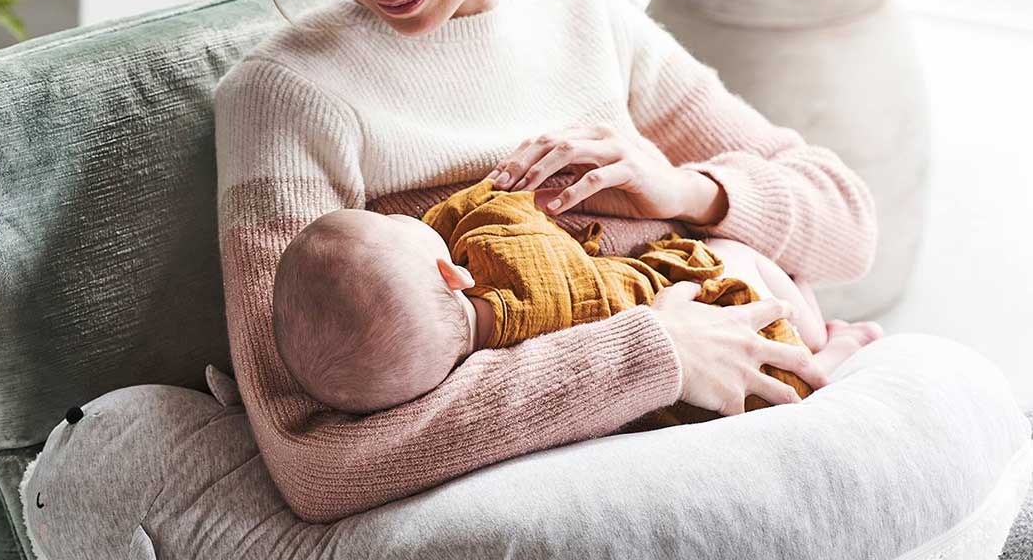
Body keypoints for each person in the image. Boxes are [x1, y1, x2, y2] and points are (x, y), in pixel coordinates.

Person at [214, 0, 880, 525]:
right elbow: (317, 461)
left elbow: (848, 224)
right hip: (602, 476)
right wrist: (649, 354)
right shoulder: (286, 97)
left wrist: (688, 190)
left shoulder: (586, 17)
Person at [271, 176, 882, 419]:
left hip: (669, 410)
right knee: (740, 262)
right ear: (450, 273)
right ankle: (825, 347)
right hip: (714, 314)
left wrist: (682, 184)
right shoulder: (495, 250)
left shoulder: (479, 369)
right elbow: (502, 198)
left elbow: (849, 225)